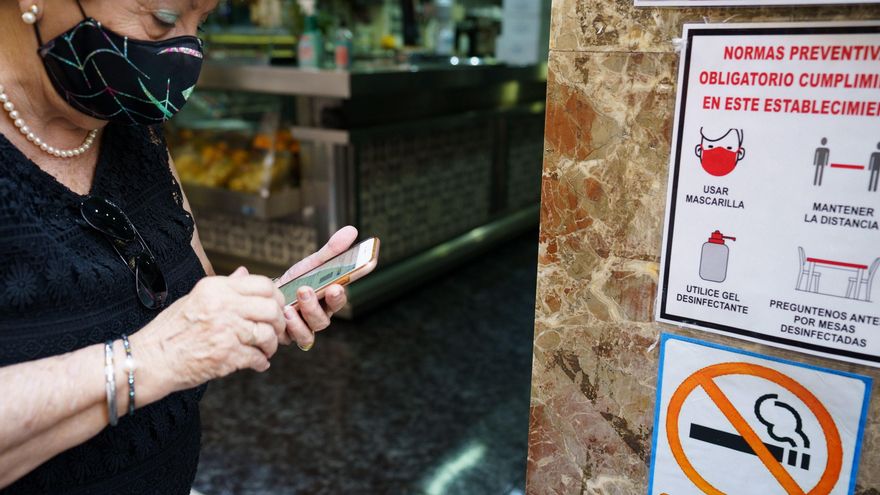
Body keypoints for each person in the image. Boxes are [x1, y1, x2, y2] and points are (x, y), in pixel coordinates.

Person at [0, 1, 355, 493]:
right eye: (164, 19)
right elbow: (167, 347)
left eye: (200, 23)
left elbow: (188, 294)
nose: (185, 50)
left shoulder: (130, 122)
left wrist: (258, 307)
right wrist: (153, 358)